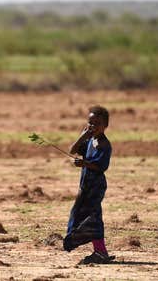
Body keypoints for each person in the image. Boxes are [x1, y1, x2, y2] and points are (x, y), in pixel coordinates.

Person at [63, 105, 114, 264]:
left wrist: (85, 163)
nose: (93, 126)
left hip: (96, 185)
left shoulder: (104, 144)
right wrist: (82, 137)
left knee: (93, 218)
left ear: (105, 126)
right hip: (85, 185)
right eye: (90, 123)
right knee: (79, 214)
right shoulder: (89, 141)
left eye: (97, 123)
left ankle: (100, 252)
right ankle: (99, 251)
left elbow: (102, 167)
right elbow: (72, 150)